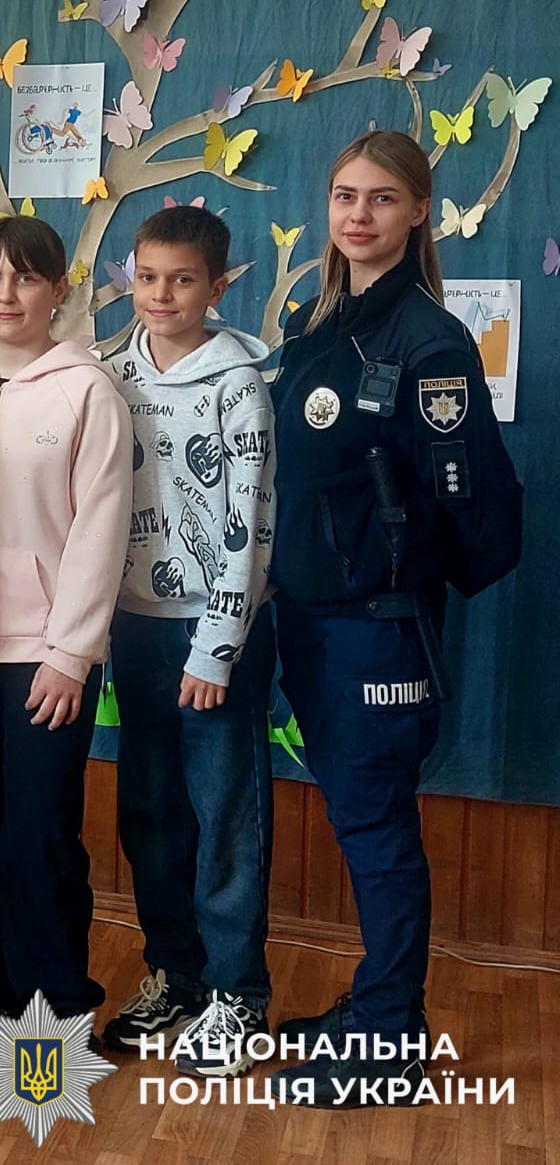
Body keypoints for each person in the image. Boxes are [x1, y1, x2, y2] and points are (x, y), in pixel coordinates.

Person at [266, 131, 521, 1107]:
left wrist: (397, 576)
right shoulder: (320, 322)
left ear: (418, 212)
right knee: (359, 821)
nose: (358, 214)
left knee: (377, 833)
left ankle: (388, 1044)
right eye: (344, 195)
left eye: (381, 197)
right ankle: (375, 1006)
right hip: (312, 622)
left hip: (375, 630)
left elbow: (481, 517)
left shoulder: (429, 340)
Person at [0, 217, 131, 1056]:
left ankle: (58, 1007)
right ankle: (1, 992)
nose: (6, 294)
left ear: (60, 288)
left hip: (45, 659)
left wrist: (70, 654)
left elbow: (100, 529)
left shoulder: (88, 390)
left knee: (38, 835)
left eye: (25, 278)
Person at [99, 205, 279, 1077]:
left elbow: (251, 519)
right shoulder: (109, 370)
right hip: (135, 625)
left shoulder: (238, 379)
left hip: (218, 633)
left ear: (218, 284)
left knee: (224, 812)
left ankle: (238, 993)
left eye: (182, 279)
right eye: (147, 277)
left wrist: (218, 645)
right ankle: (177, 973)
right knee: (151, 810)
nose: (161, 295)